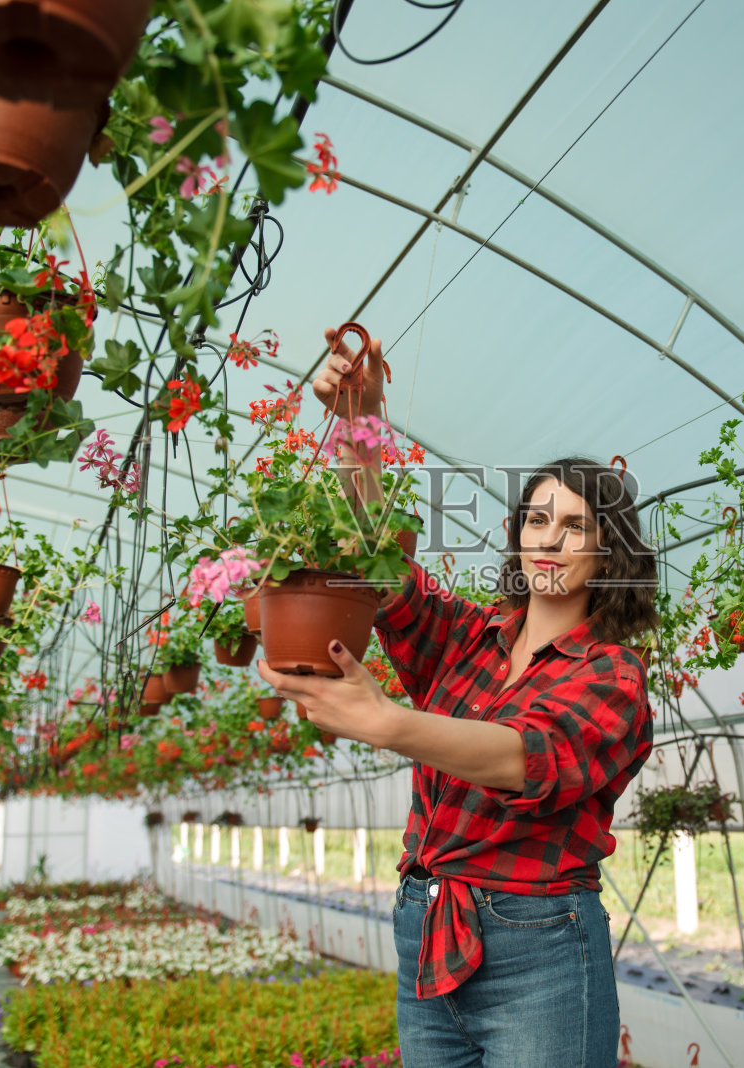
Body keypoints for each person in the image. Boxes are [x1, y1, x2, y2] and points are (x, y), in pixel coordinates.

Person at [255, 327, 659, 1067]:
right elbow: (388, 571)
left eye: (576, 527)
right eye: (538, 519)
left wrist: (387, 722)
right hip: (425, 921)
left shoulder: (613, 676)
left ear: (609, 554)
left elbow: (526, 759)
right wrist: (359, 430)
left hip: (536, 944)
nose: (550, 539)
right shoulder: (469, 637)